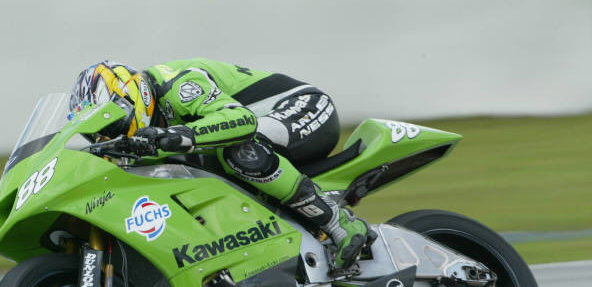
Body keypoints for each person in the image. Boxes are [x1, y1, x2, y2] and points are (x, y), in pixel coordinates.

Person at [69, 59, 371, 270]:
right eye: (99, 134)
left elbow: (241, 121)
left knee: (236, 149)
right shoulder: (146, 132)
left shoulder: (178, 83)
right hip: (269, 131)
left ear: (132, 95)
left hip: (305, 108)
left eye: (112, 125)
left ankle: (339, 223)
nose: (112, 135)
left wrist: (181, 135)